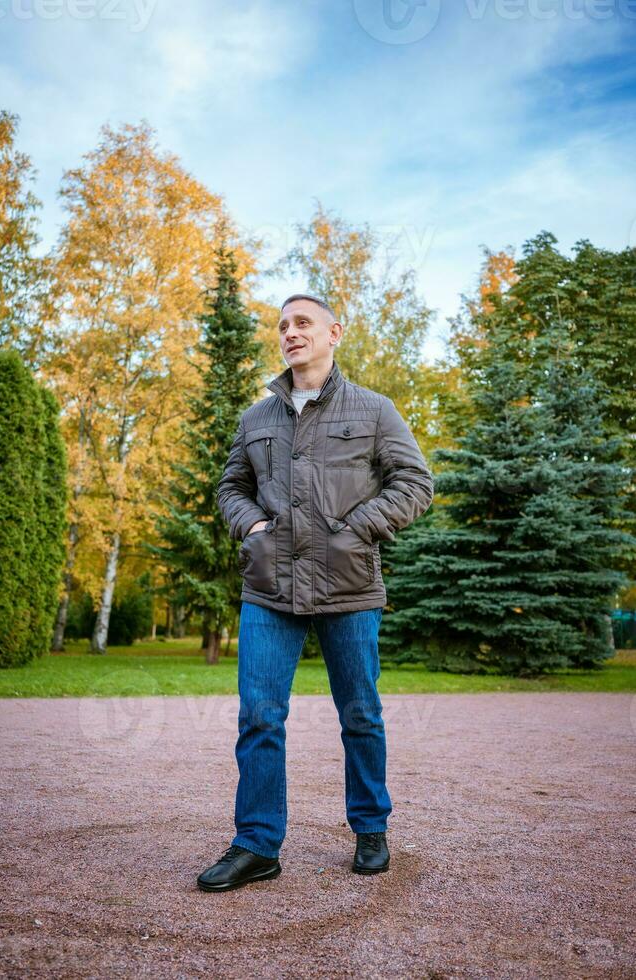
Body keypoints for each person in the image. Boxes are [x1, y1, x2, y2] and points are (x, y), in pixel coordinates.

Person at [196, 293, 434, 892]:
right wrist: (251, 527)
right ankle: (256, 845)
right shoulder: (257, 418)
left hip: (349, 587)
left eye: (303, 323)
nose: (290, 333)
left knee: (359, 714)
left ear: (334, 333)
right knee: (259, 717)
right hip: (269, 587)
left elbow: (415, 482)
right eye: (283, 326)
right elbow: (231, 487)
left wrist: (358, 530)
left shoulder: (375, 410)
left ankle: (371, 828)